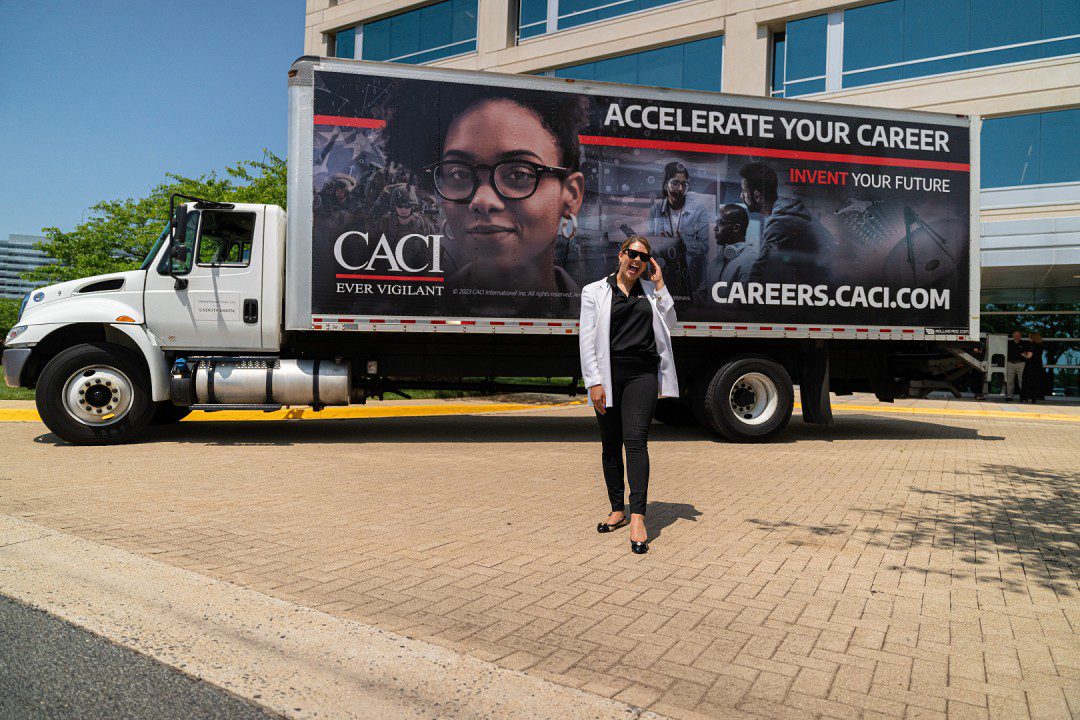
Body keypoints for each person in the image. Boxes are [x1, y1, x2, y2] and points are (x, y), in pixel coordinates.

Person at [387, 85, 587, 318]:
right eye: (459, 174)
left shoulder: (598, 317)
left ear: (571, 194)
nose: (482, 200)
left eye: (518, 174)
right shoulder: (422, 313)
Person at [579, 236, 679, 554]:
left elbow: (671, 322)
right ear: (620, 255)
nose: (637, 260)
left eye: (644, 257)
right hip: (608, 376)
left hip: (643, 373)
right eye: (632, 254)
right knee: (611, 443)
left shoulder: (651, 292)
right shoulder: (594, 291)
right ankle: (617, 510)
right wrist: (594, 382)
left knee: (635, 441)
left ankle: (637, 516)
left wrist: (660, 285)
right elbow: (587, 339)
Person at [739, 161, 835, 286]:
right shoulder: (790, 209)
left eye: (744, 191)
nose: (741, 196)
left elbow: (760, 271)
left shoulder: (780, 220)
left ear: (757, 196)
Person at [649, 162, 710, 296]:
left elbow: (704, 247)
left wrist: (681, 243)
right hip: (664, 275)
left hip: (691, 277)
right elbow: (649, 245)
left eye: (684, 184)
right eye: (675, 183)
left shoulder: (699, 210)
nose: (680, 188)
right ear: (666, 184)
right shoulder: (655, 210)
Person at [1020, 332, 1046, 403]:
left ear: (1032, 337)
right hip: (1038, 365)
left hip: (1031, 365)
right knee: (1035, 381)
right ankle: (1034, 397)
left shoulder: (1032, 345)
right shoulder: (1041, 345)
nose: (1029, 338)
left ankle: (1026, 397)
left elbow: (1029, 355)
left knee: (1027, 381)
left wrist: (1023, 355)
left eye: (1029, 337)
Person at [1005, 330, 1027, 400]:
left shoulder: (1024, 344)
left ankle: (1023, 396)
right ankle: (1009, 396)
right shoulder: (1008, 344)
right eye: (1016, 335)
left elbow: (1026, 354)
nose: (1017, 337)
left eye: (1019, 335)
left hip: (1021, 364)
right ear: (1013, 336)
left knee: (1022, 381)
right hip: (1010, 363)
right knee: (1010, 381)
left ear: (1020, 336)